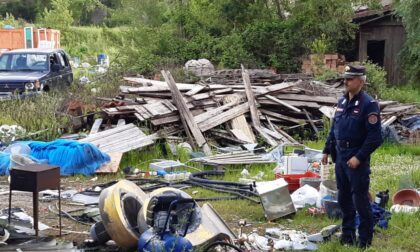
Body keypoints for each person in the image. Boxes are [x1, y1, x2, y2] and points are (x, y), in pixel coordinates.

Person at [321, 65, 383, 249]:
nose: (346, 82)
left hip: (356, 158)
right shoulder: (341, 103)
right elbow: (334, 129)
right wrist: (326, 150)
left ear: (361, 81)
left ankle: (364, 240)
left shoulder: (368, 105)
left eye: (350, 79)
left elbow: (375, 137)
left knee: (360, 200)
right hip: (340, 156)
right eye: (345, 78)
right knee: (344, 198)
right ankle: (347, 235)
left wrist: (359, 157)